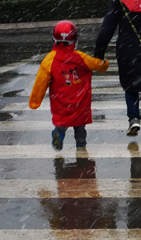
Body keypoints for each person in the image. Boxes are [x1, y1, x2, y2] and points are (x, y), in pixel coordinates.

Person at [94, 0, 141, 142]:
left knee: (130, 87)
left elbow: (107, 28)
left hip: (127, 50)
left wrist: (99, 53)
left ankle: (134, 118)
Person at [29, 21, 109, 151]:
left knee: (62, 122)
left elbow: (40, 82)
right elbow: (98, 65)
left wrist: (35, 101)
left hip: (61, 103)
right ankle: (81, 144)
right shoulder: (80, 57)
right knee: (80, 126)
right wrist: (104, 63)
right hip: (79, 102)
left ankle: (59, 133)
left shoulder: (49, 60)